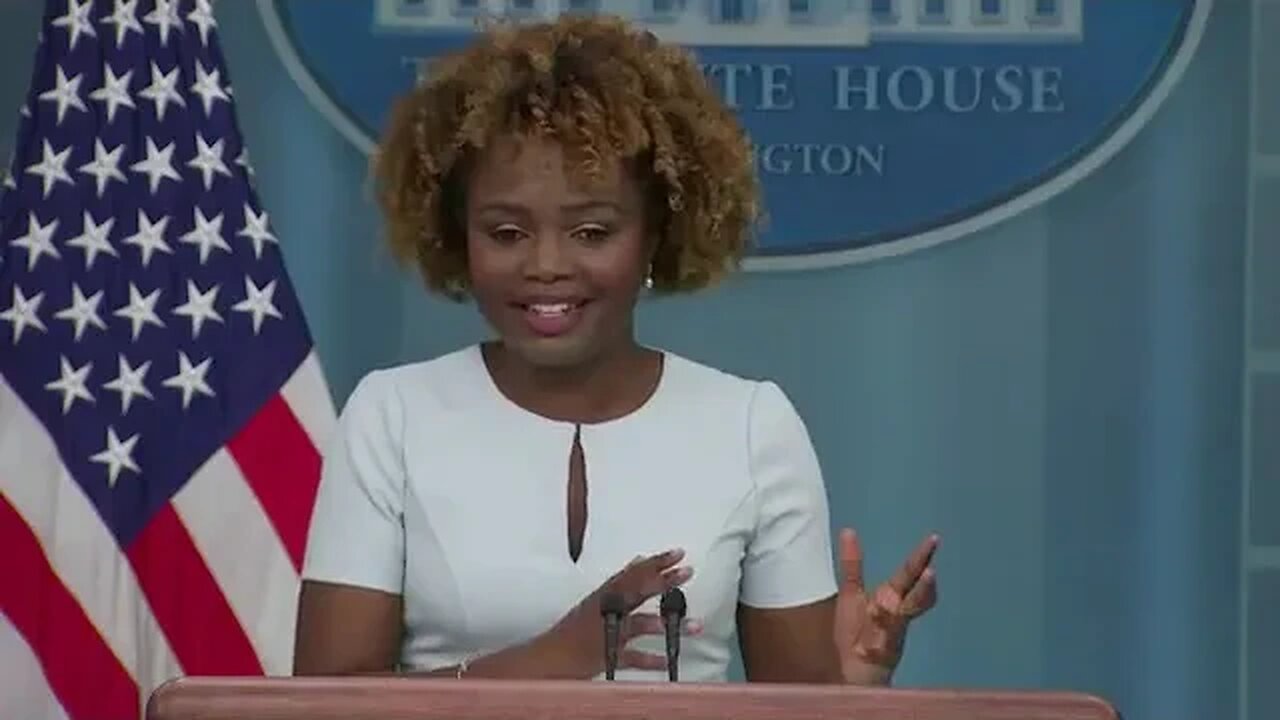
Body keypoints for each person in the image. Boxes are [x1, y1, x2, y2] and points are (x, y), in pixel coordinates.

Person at [292, 13, 938, 685]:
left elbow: (800, 713)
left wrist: (852, 688)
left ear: (655, 233)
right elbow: (324, 703)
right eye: (506, 232)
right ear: (459, 237)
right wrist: (545, 663)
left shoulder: (753, 427)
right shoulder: (392, 416)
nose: (546, 264)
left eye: (592, 231)